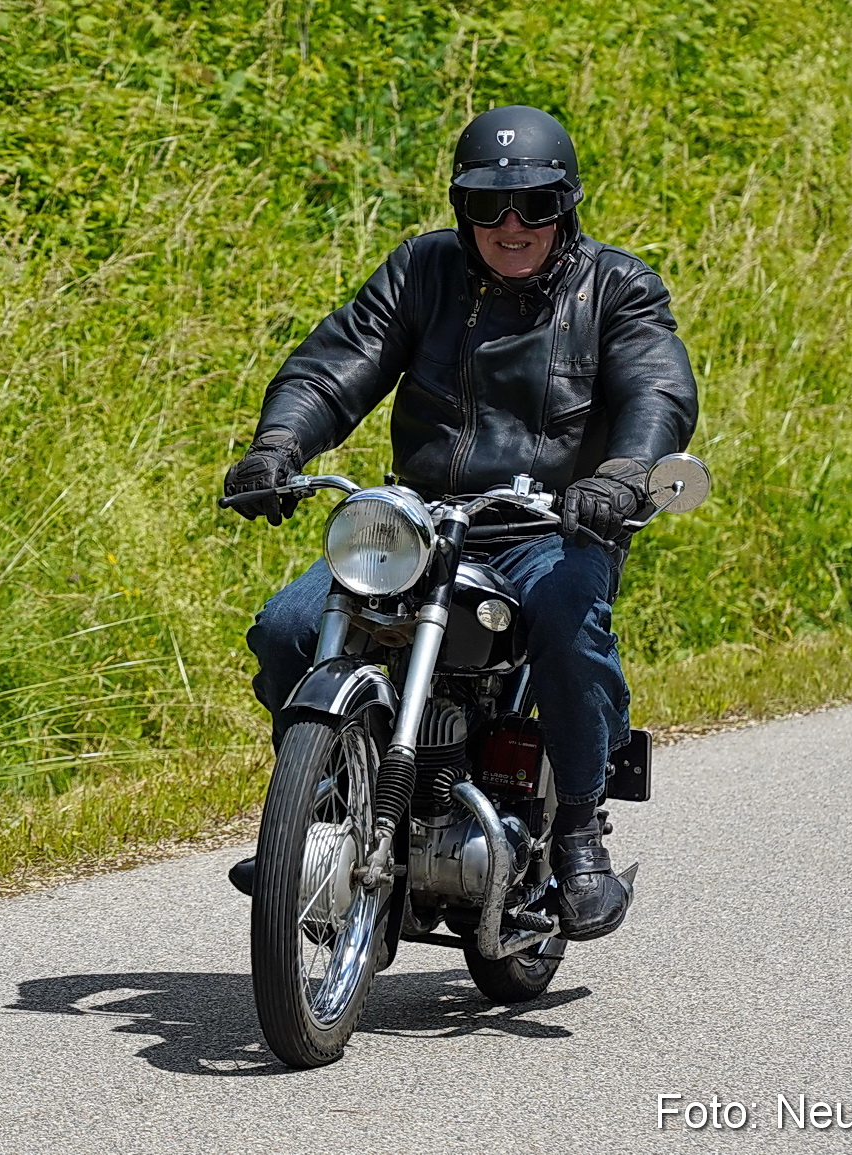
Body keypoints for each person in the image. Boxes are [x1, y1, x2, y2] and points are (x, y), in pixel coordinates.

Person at [222, 106, 698, 940]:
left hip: (553, 525)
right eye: (489, 207)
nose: (511, 227)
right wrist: (278, 444)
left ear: (568, 206)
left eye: (535, 207)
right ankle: (315, 814)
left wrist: (623, 474)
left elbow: (657, 389)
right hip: (423, 525)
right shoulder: (422, 271)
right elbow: (340, 363)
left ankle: (580, 830)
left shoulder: (617, 287)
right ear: (460, 207)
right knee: (288, 626)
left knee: (566, 621)